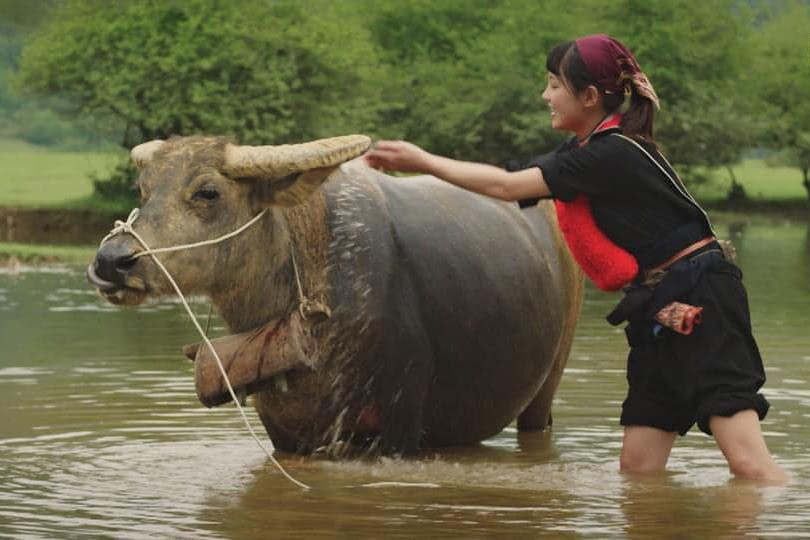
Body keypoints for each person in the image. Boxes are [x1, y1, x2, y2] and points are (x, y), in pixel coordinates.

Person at [364, 34, 789, 484]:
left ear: (588, 97)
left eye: (553, 85)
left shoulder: (610, 154)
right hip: (656, 305)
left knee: (747, 463)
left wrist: (422, 160)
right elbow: (512, 178)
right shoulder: (586, 151)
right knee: (638, 469)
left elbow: (507, 189)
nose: (545, 96)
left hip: (702, 298)